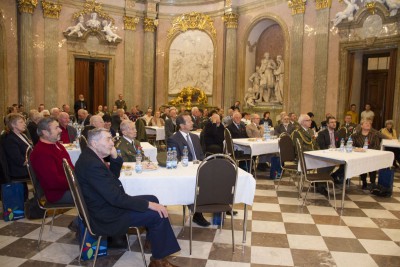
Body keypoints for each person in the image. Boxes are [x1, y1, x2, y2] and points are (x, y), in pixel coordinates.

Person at [75, 128, 180, 266]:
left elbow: (113, 177)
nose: (112, 143)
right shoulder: (91, 164)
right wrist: (149, 206)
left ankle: (154, 240)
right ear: (94, 143)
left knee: (152, 198)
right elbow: (116, 198)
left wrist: (114, 157)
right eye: (108, 139)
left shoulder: (90, 157)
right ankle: (158, 261)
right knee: (158, 214)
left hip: (106, 205)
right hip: (107, 215)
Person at [167, 115, 209, 227]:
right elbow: (176, 159)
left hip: (198, 167)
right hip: (185, 171)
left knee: (215, 177)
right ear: (182, 125)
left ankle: (220, 207)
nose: (192, 123)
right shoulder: (173, 139)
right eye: (189, 121)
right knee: (197, 183)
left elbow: (200, 154)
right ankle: (197, 213)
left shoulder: (195, 137)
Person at [31, 117, 74, 204]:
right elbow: (53, 183)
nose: (60, 130)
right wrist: (76, 182)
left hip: (69, 186)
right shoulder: (41, 153)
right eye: (56, 128)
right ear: (45, 132)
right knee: (95, 195)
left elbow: (70, 166)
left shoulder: (56, 144)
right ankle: (83, 218)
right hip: (58, 194)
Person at [352, 119, 380, 189]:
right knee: (362, 162)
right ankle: (364, 181)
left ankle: (372, 182)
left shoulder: (374, 135)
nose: (368, 124)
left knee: (372, 163)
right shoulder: (355, 135)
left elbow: (377, 147)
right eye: (366, 123)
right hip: (360, 156)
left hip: (371, 156)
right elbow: (352, 146)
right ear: (361, 125)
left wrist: (368, 152)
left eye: (369, 124)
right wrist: (358, 149)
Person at [316, 116, 345, 184]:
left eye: (335, 122)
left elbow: (340, 145)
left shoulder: (337, 133)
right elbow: (322, 146)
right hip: (327, 154)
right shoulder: (322, 133)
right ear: (327, 124)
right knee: (327, 165)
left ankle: (334, 175)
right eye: (331, 122)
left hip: (337, 154)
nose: (334, 124)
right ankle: (321, 181)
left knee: (346, 164)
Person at [3, 113, 32, 180]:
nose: (24, 124)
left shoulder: (22, 135)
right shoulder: (10, 139)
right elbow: (20, 161)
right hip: (19, 171)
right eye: (21, 122)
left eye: (24, 122)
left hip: (26, 168)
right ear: (13, 125)